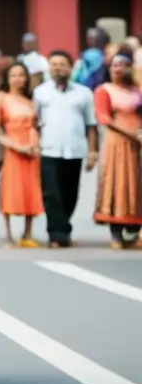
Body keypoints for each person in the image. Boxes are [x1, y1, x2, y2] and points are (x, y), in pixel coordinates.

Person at [33, 50, 97, 248]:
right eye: (54, 64)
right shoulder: (40, 92)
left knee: (70, 193)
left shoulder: (84, 93)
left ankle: (63, 228)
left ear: (70, 67)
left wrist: (93, 152)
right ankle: (57, 234)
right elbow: (34, 122)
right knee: (51, 193)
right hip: (48, 149)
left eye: (62, 64)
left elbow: (91, 125)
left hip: (75, 150)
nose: (57, 68)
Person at [0, 62, 43, 247]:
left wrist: (33, 145)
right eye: (13, 75)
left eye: (21, 75)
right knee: (10, 190)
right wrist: (17, 147)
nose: (17, 79)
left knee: (31, 189)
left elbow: (37, 126)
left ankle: (27, 234)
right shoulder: (0, 98)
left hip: (32, 149)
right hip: (12, 149)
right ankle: (8, 234)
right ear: (7, 78)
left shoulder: (31, 101)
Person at [92, 52, 142, 248]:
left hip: (138, 143)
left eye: (123, 65)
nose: (119, 69)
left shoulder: (136, 90)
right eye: (115, 65)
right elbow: (104, 118)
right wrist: (132, 134)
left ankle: (133, 231)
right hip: (118, 143)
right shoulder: (104, 90)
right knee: (118, 183)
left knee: (137, 186)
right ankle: (116, 233)